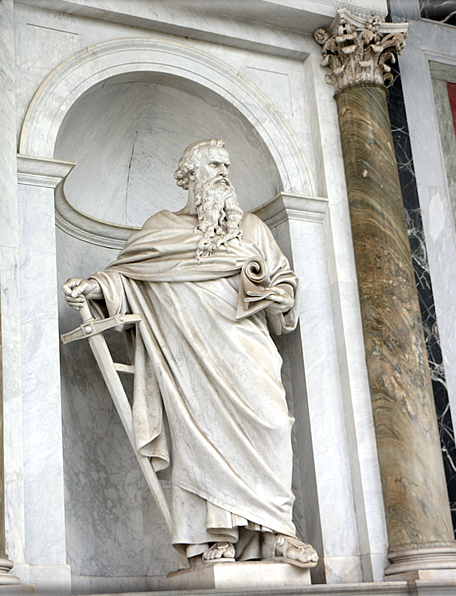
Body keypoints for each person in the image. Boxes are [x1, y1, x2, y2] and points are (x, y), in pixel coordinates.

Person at [63, 139, 318, 569]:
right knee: (202, 442)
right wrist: (94, 288)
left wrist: (276, 294)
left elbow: (284, 284)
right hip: (191, 363)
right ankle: (213, 537)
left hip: (248, 351)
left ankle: (277, 532)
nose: (224, 171)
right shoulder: (160, 230)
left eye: (227, 165)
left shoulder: (253, 229)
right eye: (214, 164)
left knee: (273, 422)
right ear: (189, 175)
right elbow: (130, 278)